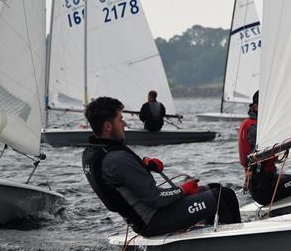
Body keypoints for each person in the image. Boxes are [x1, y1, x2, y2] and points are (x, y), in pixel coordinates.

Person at [83, 96, 240, 236]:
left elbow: (118, 175)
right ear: (108, 126)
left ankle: (211, 237)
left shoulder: (92, 152)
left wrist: (144, 164)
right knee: (223, 196)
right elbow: (156, 198)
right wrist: (183, 189)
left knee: (214, 188)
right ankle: (235, 244)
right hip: (154, 220)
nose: (124, 123)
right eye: (120, 119)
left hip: (143, 218)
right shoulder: (116, 158)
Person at [238, 90, 291, 205]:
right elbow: (272, 153)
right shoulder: (255, 128)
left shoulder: (249, 124)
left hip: (260, 186)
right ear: (256, 107)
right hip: (265, 189)